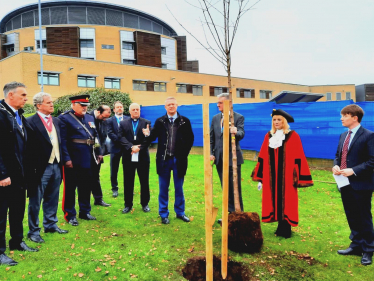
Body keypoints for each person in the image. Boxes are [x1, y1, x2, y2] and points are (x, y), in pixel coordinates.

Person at [252, 109, 313, 238]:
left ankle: (286, 228)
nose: (276, 122)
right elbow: (262, 156)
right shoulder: (268, 136)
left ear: (284, 121)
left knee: (288, 201)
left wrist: (298, 176)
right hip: (271, 176)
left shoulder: (293, 136)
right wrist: (260, 176)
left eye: (279, 120)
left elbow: (299, 156)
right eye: (274, 120)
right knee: (273, 200)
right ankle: (280, 226)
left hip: (287, 176)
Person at [0, 82, 38, 266]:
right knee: (1, 213)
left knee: (17, 210)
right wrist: (1, 174)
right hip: (5, 176)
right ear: (10, 96)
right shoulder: (0, 115)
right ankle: (0, 252)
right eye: (23, 95)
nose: (26, 98)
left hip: (20, 174)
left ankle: (17, 241)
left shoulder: (19, 116)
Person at [333, 104, 374, 266]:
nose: (341, 118)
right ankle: (356, 245)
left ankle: (368, 249)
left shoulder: (369, 136)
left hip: (361, 184)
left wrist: (354, 171)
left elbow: (372, 161)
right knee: (351, 214)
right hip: (344, 184)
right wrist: (336, 165)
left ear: (354, 117)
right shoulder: (343, 135)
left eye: (345, 115)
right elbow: (338, 155)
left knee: (364, 217)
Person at [143, 97, 194, 224]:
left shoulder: (185, 121)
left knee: (179, 188)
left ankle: (180, 212)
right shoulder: (160, 121)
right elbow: (153, 137)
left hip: (179, 160)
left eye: (173, 104)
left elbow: (190, 139)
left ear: (177, 106)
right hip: (164, 160)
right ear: (165, 107)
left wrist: (183, 155)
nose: (171, 106)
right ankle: (164, 214)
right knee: (163, 188)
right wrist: (147, 135)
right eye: (168, 105)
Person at [26, 92, 68, 244]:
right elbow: (27, 148)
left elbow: (59, 142)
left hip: (56, 164)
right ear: (38, 105)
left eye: (52, 102)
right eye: (48, 102)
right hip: (39, 168)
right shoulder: (30, 122)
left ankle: (50, 224)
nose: (52, 104)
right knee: (35, 201)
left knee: (52, 197)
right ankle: (33, 231)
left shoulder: (55, 121)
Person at [59, 94, 103, 226]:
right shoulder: (65, 118)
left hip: (89, 157)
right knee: (70, 188)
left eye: (86, 105)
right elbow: (63, 141)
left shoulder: (90, 117)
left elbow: (95, 136)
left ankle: (85, 211)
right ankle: (70, 214)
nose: (84, 108)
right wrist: (66, 159)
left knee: (86, 186)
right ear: (73, 104)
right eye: (81, 105)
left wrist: (99, 152)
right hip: (73, 159)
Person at [210, 93, 245, 217]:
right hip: (219, 159)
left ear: (229, 103)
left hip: (233, 159)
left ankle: (238, 213)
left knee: (235, 188)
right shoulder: (215, 118)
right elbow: (212, 138)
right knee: (225, 187)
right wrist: (211, 153)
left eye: (220, 102)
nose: (217, 104)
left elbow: (241, 132)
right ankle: (229, 214)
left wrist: (236, 132)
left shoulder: (238, 117)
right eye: (217, 102)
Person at [119, 103, 151, 214]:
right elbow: (121, 137)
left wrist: (140, 147)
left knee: (144, 181)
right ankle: (127, 204)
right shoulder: (123, 123)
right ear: (130, 111)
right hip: (129, 156)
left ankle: (145, 203)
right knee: (128, 181)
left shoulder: (146, 122)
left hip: (142, 157)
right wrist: (131, 147)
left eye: (137, 109)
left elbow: (149, 139)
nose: (136, 111)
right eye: (134, 109)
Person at [87, 105, 111, 207]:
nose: (105, 119)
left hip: (97, 153)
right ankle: (85, 201)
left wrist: (100, 153)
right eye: (103, 117)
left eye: (106, 117)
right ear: (98, 112)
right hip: (87, 152)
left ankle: (98, 199)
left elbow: (101, 139)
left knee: (96, 176)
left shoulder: (104, 122)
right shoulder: (88, 118)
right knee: (85, 177)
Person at [107, 101, 127, 197]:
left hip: (126, 149)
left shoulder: (128, 119)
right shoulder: (110, 121)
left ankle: (128, 188)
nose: (119, 108)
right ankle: (114, 189)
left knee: (128, 170)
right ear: (114, 109)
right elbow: (110, 133)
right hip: (115, 148)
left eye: (121, 107)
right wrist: (120, 141)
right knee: (114, 170)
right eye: (117, 107)